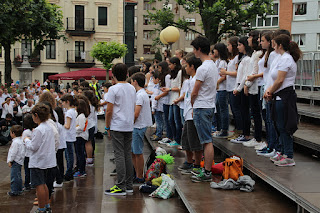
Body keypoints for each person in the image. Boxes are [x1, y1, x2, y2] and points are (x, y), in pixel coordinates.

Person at [264, 34, 301, 166]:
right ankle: (284, 152)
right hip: (278, 96)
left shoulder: (286, 59)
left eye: (274, 44)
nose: (272, 46)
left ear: (280, 45)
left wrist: (270, 91)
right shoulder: (280, 58)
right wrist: (270, 91)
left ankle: (288, 155)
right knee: (279, 125)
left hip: (284, 96)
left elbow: (280, 80)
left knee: (285, 126)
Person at [104, 63, 136, 196]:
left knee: (119, 155)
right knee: (127, 154)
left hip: (117, 125)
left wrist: (107, 126)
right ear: (127, 74)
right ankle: (129, 185)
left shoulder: (113, 89)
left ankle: (121, 185)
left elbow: (109, 111)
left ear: (113, 75)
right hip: (128, 124)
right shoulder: (132, 88)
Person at [190, 36, 219, 182]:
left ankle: (207, 172)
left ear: (199, 49)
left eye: (194, 49)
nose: (193, 52)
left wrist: (192, 102)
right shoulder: (213, 65)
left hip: (202, 105)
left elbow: (195, 91)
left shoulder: (203, 68)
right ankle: (205, 170)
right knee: (206, 140)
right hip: (209, 105)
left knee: (206, 141)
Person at [24, 104, 56, 213]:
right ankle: (47, 206)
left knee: (39, 185)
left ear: (36, 115)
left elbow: (33, 147)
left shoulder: (39, 129)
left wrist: (26, 140)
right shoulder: (48, 127)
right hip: (47, 160)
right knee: (44, 184)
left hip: (38, 161)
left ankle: (41, 208)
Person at [177, 56, 204, 175]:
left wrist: (193, 108)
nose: (186, 68)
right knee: (186, 139)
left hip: (193, 114)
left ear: (192, 67)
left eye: (187, 66)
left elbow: (194, 95)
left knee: (194, 141)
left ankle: (197, 164)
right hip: (187, 113)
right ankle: (189, 161)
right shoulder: (190, 80)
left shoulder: (196, 80)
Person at [241, 30, 263, 147]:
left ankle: (258, 138)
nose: (248, 39)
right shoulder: (255, 53)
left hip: (254, 88)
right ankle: (256, 137)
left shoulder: (258, 54)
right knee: (254, 113)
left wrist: (247, 84)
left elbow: (254, 72)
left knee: (256, 114)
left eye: (250, 37)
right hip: (251, 87)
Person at [130, 72, 153, 183]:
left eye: (131, 81)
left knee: (138, 152)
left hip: (138, 126)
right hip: (138, 126)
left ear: (135, 82)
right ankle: (137, 174)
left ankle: (139, 175)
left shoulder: (140, 95)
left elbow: (136, 113)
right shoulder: (141, 93)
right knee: (134, 152)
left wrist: (130, 124)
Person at [220, 37, 242, 141]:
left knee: (236, 110)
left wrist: (226, 72)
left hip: (234, 86)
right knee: (233, 109)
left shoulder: (237, 58)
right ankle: (237, 131)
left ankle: (239, 130)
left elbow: (238, 73)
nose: (227, 47)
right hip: (229, 87)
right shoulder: (232, 58)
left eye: (229, 45)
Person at [231, 36, 252, 144]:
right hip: (238, 86)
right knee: (242, 111)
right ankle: (243, 133)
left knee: (244, 112)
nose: (238, 47)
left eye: (240, 45)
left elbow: (245, 75)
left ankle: (246, 134)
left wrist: (239, 88)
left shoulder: (248, 59)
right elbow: (239, 76)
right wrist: (236, 87)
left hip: (242, 87)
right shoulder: (242, 58)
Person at [162, 57, 182, 147]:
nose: (169, 66)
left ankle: (178, 139)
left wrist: (169, 89)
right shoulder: (172, 74)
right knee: (171, 120)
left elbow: (180, 87)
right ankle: (174, 138)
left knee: (176, 121)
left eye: (170, 64)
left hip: (177, 100)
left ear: (175, 64)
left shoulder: (180, 72)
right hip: (172, 100)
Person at [212, 43, 229, 138]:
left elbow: (224, 76)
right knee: (218, 109)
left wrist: (217, 83)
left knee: (223, 109)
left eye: (215, 49)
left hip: (222, 88)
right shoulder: (217, 61)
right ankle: (219, 128)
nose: (213, 51)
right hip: (218, 90)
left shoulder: (223, 62)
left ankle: (224, 129)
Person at [60, 94, 78, 181]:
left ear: (67, 102)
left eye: (63, 102)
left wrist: (61, 126)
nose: (62, 104)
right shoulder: (73, 111)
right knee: (70, 154)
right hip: (71, 135)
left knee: (69, 155)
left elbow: (67, 125)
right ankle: (69, 171)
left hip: (67, 136)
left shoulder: (69, 112)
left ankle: (68, 172)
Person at [156, 61, 173, 145]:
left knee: (167, 119)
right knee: (165, 119)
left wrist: (159, 96)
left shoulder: (167, 76)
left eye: (159, 68)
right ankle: (168, 136)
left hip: (167, 100)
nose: (159, 70)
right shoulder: (164, 76)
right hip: (164, 100)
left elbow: (167, 90)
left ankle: (169, 136)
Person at [7, 125, 25, 196]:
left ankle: (15, 190)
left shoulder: (15, 142)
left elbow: (13, 153)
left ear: (13, 133)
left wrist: (10, 160)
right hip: (19, 160)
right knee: (18, 175)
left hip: (15, 161)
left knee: (14, 176)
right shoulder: (20, 141)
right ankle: (19, 188)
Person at [74, 99, 89, 177]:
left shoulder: (81, 116)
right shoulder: (80, 116)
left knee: (80, 154)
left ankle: (82, 170)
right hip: (78, 136)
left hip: (80, 136)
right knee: (79, 153)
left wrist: (73, 129)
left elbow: (81, 127)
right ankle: (80, 169)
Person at [22, 114, 37, 191]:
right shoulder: (35, 130)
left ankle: (27, 184)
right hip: (33, 153)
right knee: (32, 169)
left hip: (27, 153)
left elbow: (23, 142)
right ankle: (33, 183)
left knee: (27, 170)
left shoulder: (26, 132)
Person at [83, 90, 98, 166]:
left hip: (88, 125)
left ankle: (89, 159)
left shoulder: (87, 106)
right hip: (92, 125)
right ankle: (90, 157)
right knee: (90, 142)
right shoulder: (93, 105)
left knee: (87, 142)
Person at [53, 106, 66, 188]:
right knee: (60, 162)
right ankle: (61, 175)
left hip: (59, 146)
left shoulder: (57, 125)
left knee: (57, 162)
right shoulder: (61, 123)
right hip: (62, 145)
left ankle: (59, 177)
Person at [150, 70, 165, 141]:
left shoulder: (157, 87)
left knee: (158, 121)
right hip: (159, 107)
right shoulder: (158, 86)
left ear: (157, 79)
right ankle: (158, 132)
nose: (152, 80)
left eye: (153, 78)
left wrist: (153, 108)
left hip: (157, 108)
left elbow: (155, 98)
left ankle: (159, 134)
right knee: (159, 121)